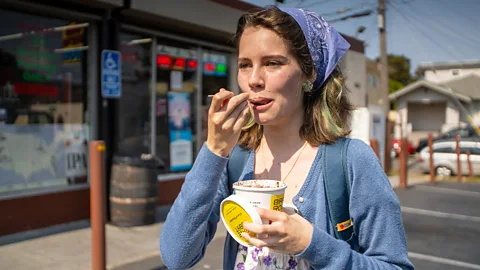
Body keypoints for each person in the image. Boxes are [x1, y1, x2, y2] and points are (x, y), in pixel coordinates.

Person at [160, 6, 414, 270]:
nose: (254, 80)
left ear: (309, 72)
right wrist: (214, 150)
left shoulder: (352, 161)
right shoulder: (235, 159)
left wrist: (311, 243)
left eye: (272, 63)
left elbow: (395, 266)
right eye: (245, 65)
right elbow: (176, 256)